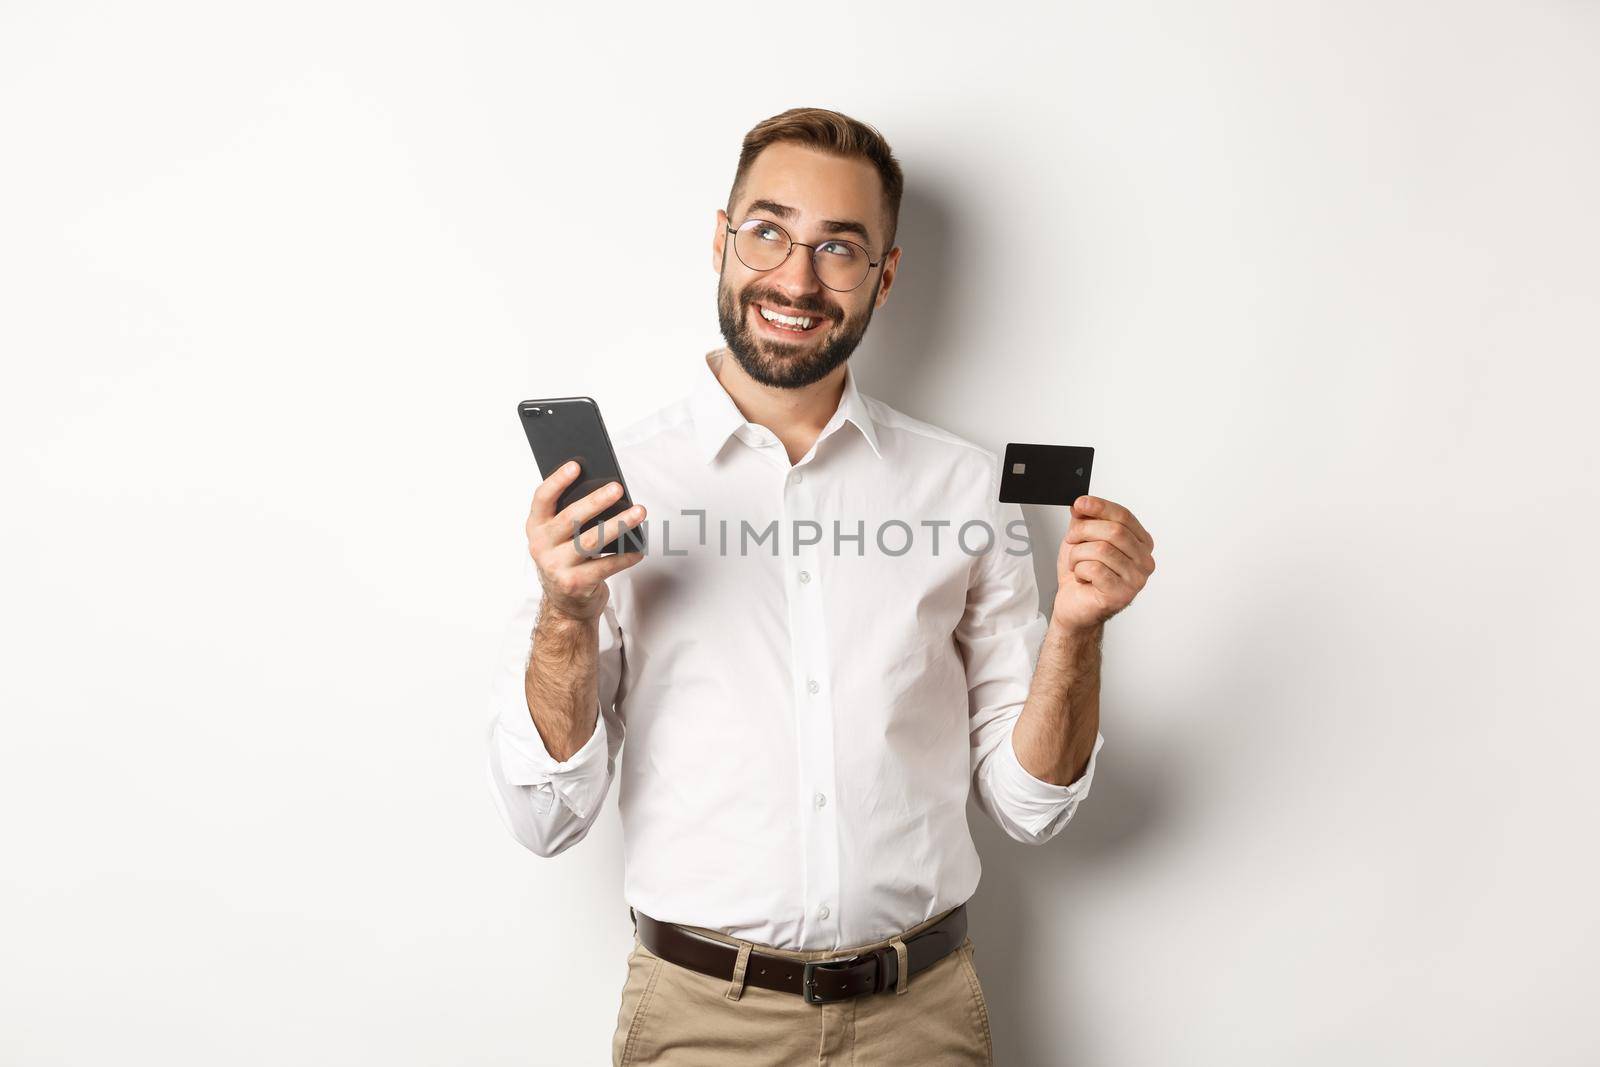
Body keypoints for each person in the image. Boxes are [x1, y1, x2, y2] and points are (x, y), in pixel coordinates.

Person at [485, 106, 1157, 1065]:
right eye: (768, 232)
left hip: (919, 1022)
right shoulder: (610, 489)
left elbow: (1029, 806)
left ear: (884, 277)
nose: (795, 280)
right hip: (699, 1022)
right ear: (721, 240)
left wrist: (1080, 630)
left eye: (838, 248)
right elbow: (545, 816)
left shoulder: (964, 487)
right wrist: (565, 612)